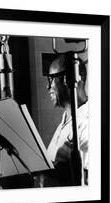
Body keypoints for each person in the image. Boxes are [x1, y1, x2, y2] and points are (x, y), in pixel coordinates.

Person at [41, 54, 88, 187]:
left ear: (73, 77)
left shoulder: (87, 124)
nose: (47, 86)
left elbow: (88, 183)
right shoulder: (68, 118)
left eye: (51, 79)